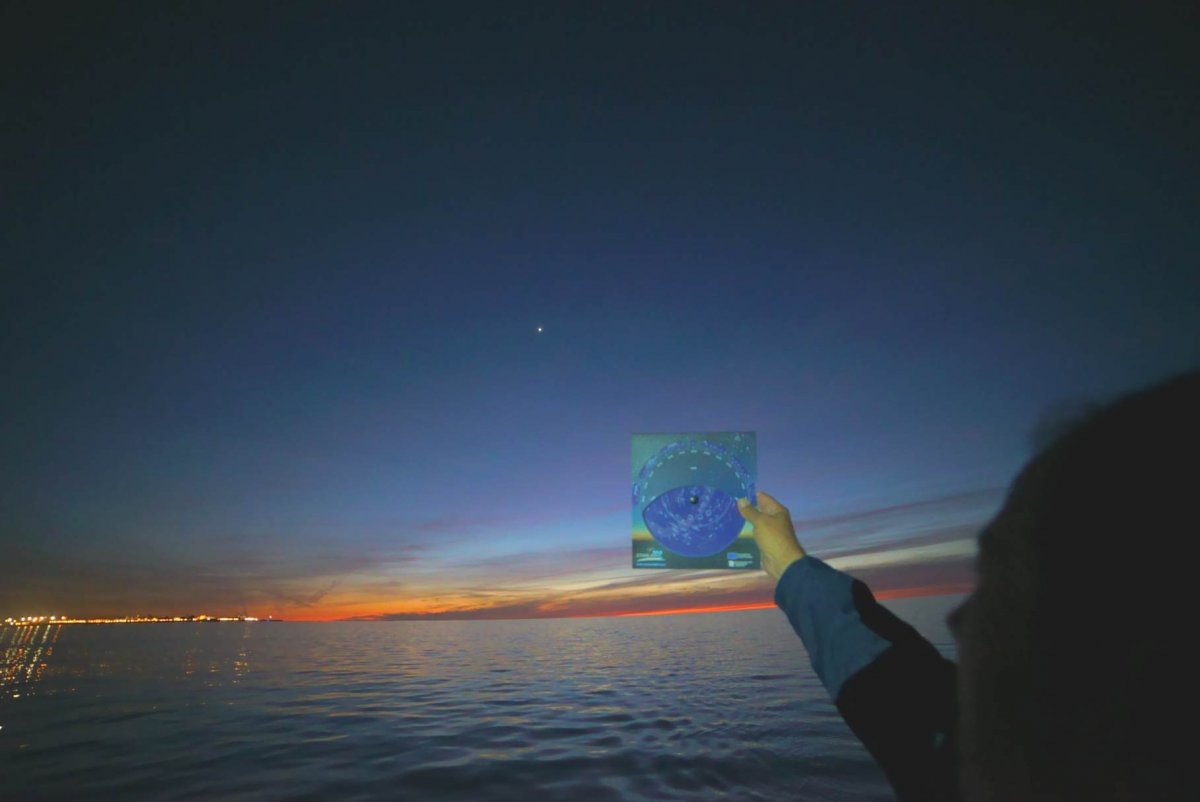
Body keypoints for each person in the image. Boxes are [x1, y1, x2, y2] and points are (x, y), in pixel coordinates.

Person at [737, 370, 1197, 802]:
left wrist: (793, 568)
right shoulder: (994, 745)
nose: (958, 619)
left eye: (1009, 582)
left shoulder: (988, 761)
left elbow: (890, 685)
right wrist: (790, 564)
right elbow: (891, 684)